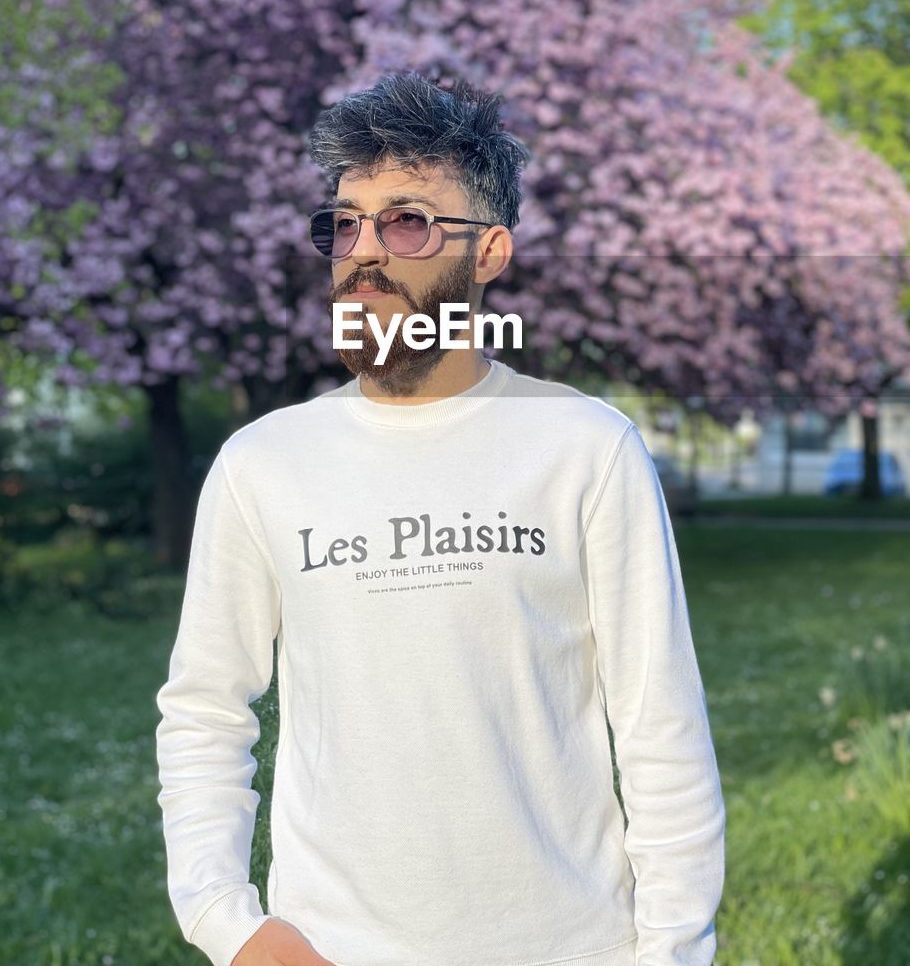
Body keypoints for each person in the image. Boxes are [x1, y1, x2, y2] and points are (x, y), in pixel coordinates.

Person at [154, 70, 726, 966]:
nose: (362, 251)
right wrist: (228, 922)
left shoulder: (584, 447)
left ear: (490, 252)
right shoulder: (262, 464)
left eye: (407, 220)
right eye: (344, 222)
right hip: (328, 948)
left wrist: (672, 952)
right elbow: (205, 713)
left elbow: (660, 728)